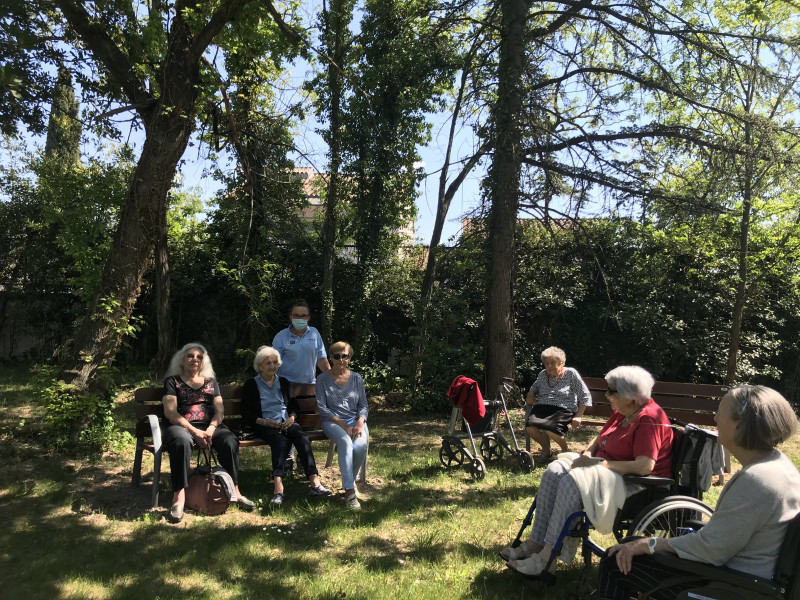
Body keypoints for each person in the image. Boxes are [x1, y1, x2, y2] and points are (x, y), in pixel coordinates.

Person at [595, 385, 800, 600]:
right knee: (633, 543)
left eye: (720, 412)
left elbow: (711, 550)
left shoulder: (758, 480)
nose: (715, 418)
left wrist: (652, 543)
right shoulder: (780, 466)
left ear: (738, 426)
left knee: (615, 562)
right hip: (743, 576)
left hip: (730, 585)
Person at [502, 365, 674, 576]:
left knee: (571, 483)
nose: (606, 395)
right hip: (607, 472)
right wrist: (588, 454)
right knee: (554, 470)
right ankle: (536, 542)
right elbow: (601, 437)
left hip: (636, 484)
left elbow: (644, 466)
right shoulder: (624, 411)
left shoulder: (648, 418)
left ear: (629, 397)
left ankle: (548, 558)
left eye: (611, 391)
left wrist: (599, 465)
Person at [161, 343, 253, 523]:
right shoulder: (172, 382)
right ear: (182, 359)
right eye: (190, 356)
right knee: (181, 442)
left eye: (199, 357)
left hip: (210, 427)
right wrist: (194, 431)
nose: (195, 359)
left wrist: (210, 429)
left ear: (204, 362)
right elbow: (170, 412)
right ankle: (178, 497)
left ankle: (235, 490)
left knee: (229, 440)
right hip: (182, 427)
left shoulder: (211, 382)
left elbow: (219, 411)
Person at [241, 345, 332, 507]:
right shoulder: (251, 385)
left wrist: (292, 417)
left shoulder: (283, 382)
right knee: (280, 442)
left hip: (285, 422)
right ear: (260, 366)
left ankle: (315, 482)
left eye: (275, 362)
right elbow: (246, 413)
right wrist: (265, 422)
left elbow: (294, 407)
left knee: (302, 438)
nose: (272, 366)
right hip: (264, 424)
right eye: (268, 363)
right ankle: (278, 488)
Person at [316, 341, 369, 510]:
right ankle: (349, 492)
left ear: (349, 358)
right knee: (346, 442)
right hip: (332, 421)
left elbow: (364, 406)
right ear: (330, 358)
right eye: (336, 356)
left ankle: (349, 483)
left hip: (355, 421)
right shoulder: (322, 379)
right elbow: (323, 409)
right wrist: (344, 425)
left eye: (344, 356)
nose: (340, 359)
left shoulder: (356, 378)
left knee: (361, 445)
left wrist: (359, 423)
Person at [525, 346, 592, 461]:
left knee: (551, 428)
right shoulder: (542, 374)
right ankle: (546, 450)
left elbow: (584, 394)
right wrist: (530, 394)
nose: (549, 366)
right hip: (542, 407)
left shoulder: (570, 373)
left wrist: (579, 415)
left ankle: (565, 453)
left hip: (563, 408)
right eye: (546, 363)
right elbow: (535, 386)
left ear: (562, 363)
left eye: (553, 363)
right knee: (530, 426)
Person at [272, 299, 330, 386]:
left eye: (303, 316)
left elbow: (321, 359)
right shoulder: (280, 336)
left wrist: (332, 379)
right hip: (285, 386)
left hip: (309, 385)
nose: (299, 318)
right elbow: (274, 362)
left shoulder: (314, 333)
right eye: (296, 315)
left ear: (308, 318)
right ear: (291, 317)